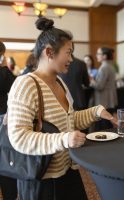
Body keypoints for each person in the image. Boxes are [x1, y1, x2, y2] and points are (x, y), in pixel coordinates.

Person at [7, 17, 116, 200]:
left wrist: (95, 112)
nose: (71, 59)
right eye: (68, 53)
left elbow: (69, 120)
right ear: (49, 52)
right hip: (42, 178)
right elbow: (18, 137)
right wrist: (64, 139)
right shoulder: (26, 84)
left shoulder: (59, 82)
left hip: (68, 170)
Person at [0, 41, 17, 200]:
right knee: (5, 159)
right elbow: (15, 91)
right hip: (2, 120)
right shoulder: (4, 73)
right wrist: (5, 67)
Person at [90, 47, 118, 131]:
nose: (96, 56)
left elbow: (99, 86)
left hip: (103, 100)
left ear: (105, 56)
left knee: (103, 127)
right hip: (109, 99)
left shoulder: (104, 67)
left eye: (98, 54)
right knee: (108, 124)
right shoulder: (110, 65)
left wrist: (91, 80)